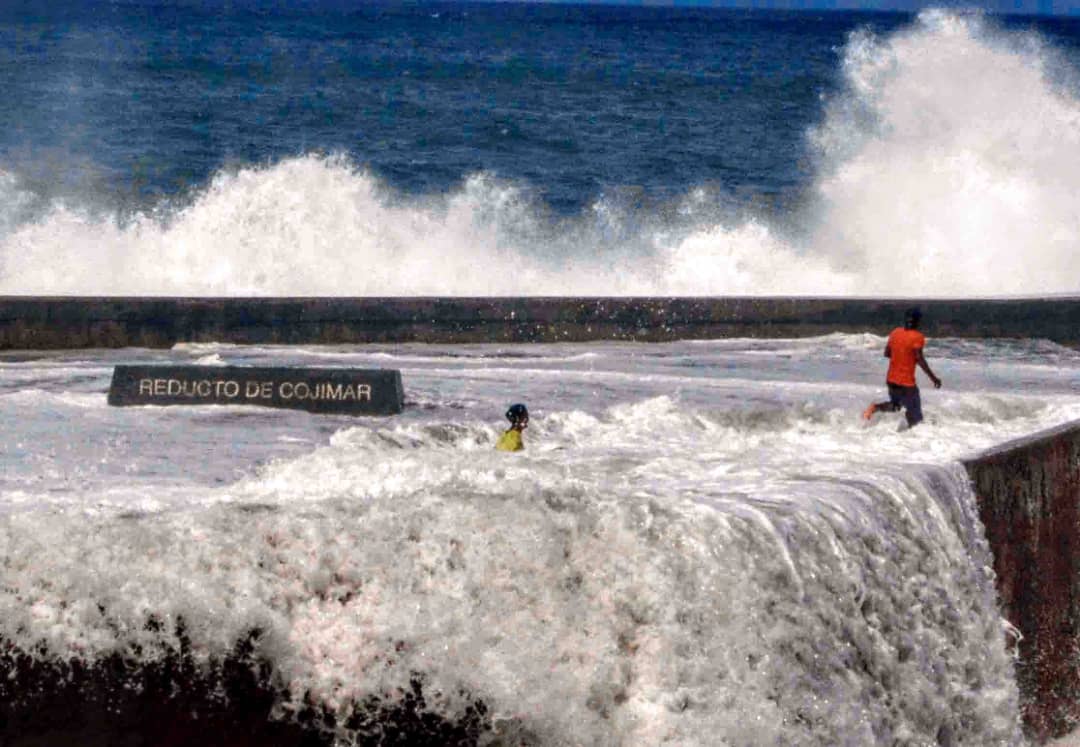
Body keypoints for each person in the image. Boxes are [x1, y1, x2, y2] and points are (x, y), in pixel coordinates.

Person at [862, 308, 942, 428]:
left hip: (891, 380)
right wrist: (934, 378)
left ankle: (875, 408)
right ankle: (915, 436)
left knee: (896, 406)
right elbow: (919, 359)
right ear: (918, 321)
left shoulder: (895, 332)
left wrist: (901, 354)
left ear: (905, 320)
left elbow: (887, 353)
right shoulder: (917, 337)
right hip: (906, 384)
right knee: (916, 418)